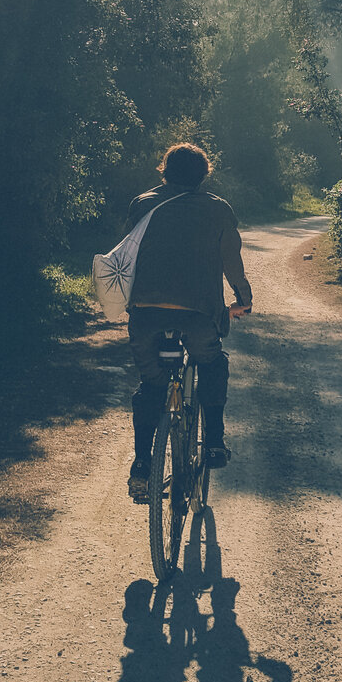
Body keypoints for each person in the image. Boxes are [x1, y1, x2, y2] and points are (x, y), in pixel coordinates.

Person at [124, 142, 252, 500]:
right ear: (203, 176)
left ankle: (141, 464)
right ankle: (213, 442)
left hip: (146, 315)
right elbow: (232, 264)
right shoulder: (218, 211)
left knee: (151, 386)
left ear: (163, 170)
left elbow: (126, 256)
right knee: (211, 362)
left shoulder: (142, 204)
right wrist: (243, 300)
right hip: (198, 316)